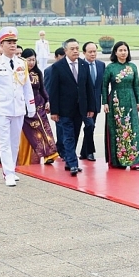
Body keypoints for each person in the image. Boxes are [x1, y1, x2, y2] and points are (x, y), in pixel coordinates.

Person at [0, 27, 36, 187]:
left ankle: (11, 168)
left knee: (14, 142)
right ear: (2, 44)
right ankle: (9, 173)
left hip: (18, 107)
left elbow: (27, 86)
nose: (13, 45)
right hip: (1, 108)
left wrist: (30, 105)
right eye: (9, 42)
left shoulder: (22, 63)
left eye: (14, 42)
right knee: (4, 141)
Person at [48, 38, 95, 177]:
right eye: (72, 49)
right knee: (68, 136)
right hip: (64, 109)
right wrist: (54, 111)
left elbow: (89, 88)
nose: (75, 51)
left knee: (74, 135)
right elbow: (53, 91)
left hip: (80, 109)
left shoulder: (83, 65)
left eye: (77, 48)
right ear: (65, 51)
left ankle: (69, 161)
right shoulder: (57, 67)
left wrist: (90, 107)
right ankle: (73, 164)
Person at [102, 41, 139, 170]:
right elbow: (104, 86)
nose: (123, 53)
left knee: (132, 129)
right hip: (115, 102)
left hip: (131, 101)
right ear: (115, 52)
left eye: (125, 50)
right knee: (117, 129)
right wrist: (104, 102)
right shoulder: (110, 67)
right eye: (120, 50)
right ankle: (118, 161)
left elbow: (136, 85)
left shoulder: (132, 67)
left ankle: (134, 160)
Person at [20, 48, 58, 164]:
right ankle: (30, 158)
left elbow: (42, 89)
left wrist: (47, 100)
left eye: (33, 60)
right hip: (25, 108)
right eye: (28, 60)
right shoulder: (19, 74)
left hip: (39, 106)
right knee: (32, 134)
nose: (31, 62)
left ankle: (50, 154)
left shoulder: (37, 73)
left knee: (45, 130)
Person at [81, 41, 105, 161]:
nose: (93, 54)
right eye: (90, 52)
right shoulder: (79, 65)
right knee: (88, 125)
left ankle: (84, 151)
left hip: (95, 102)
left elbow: (103, 86)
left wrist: (104, 101)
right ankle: (89, 151)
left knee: (91, 126)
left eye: (94, 51)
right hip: (81, 103)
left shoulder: (101, 65)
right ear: (84, 53)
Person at [44, 46, 66, 161]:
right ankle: (61, 150)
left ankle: (62, 149)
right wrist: (48, 102)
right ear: (56, 57)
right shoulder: (49, 70)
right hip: (56, 104)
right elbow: (47, 88)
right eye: (61, 57)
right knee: (60, 128)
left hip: (67, 103)